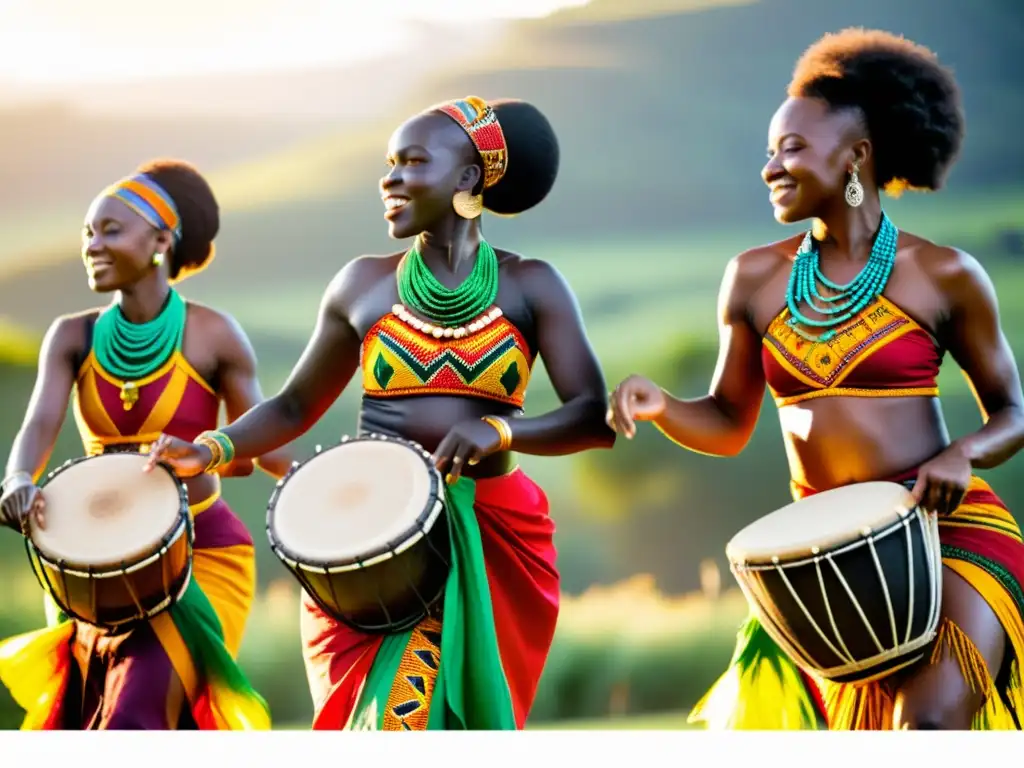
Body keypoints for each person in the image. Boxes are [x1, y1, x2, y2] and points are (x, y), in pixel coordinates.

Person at [144, 95, 615, 730]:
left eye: (412, 161)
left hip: (489, 533)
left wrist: (500, 428)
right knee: (393, 719)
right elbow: (293, 403)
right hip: (372, 535)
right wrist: (212, 448)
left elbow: (592, 416)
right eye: (387, 163)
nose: (389, 179)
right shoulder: (362, 284)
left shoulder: (532, 285)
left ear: (468, 177)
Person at [608, 28, 1024, 730]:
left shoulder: (945, 275)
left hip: (944, 535)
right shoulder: (753, 279)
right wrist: (663, 406)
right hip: (823, 564)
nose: (771, 166)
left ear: (857, 156)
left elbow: (1013, 412)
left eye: (792, 148)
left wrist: (962, 454)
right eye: (769, 151)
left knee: (924, 725)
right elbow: (727, 422)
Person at [0, 159, 293, 729]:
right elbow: (38, 426)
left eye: (110, 230)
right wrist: (17, 479)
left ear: (161, 240)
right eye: (88, 232)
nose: (93, 244)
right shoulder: (72, 336)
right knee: (93, 719)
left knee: (138, 713)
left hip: (200, 557)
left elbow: (259, 445)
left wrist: (338, 483)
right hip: (90, 565)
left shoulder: (214, 335)